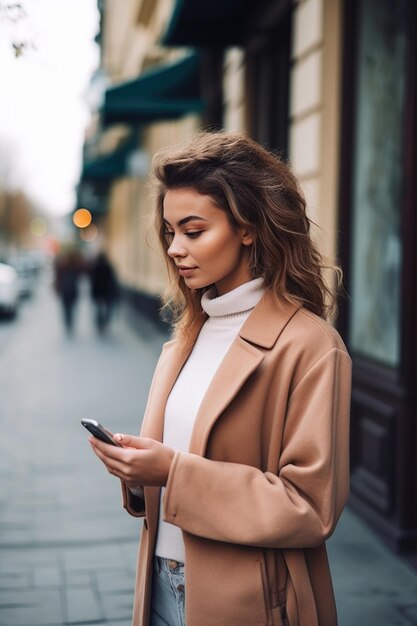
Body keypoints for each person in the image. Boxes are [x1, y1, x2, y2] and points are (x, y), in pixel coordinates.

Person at [88, 132, 351, 626]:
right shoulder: (188, 335)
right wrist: (139, 473)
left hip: (249, 600)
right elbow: (176, 464)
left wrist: (172, 471)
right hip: (161, 584)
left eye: (193, 230)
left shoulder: (311, 346)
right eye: (169, 232)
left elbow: (311, 508)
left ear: (247, 227)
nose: (174, 249)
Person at [54, 246, 82, 335]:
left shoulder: (70, 266)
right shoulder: (66, 266)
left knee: (68, 309)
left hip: (69, 291)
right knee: (69, 309)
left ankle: (68, 323)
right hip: (69, 291)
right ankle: (69, 323)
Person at [89, 251, 119, 334]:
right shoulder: (108, 267)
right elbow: (113, 280)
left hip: (99, 292)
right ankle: (104, 322)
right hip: (107, 292)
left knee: (99, 309)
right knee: (106, 309)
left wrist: (93, 294)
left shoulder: (95, 267)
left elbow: (93, 282)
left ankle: (100, 323)